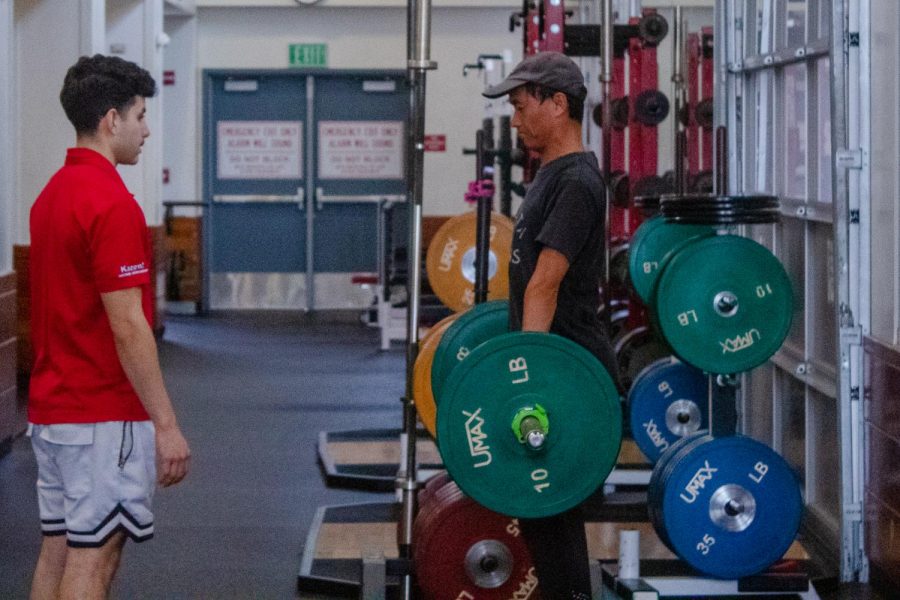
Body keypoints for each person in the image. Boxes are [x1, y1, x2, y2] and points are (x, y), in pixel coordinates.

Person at [27, 54, 191, 600]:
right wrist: (165, 425)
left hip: (55, 413)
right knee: (94, 559)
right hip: (101, 416)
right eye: (140, 115)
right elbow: (129, 327)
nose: (146, 130)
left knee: (60, 550)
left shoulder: (51, 196)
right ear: (110, 121)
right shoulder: (112, 204)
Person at [483, 51, 620, 599]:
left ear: (557, 104)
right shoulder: (550, 176)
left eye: (520, 106)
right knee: (543, 516)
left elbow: (544, 284)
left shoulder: (577, 183)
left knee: (553, 514)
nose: (515, 120)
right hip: (556, 369)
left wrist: (526, 379)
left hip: (566, 376)